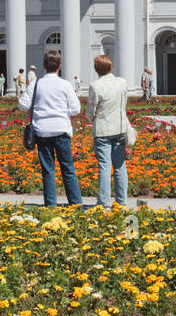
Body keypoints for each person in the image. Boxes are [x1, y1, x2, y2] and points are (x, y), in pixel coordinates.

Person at [19, 50, 83, 207]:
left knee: (48, 169)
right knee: (67, 168)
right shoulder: (65, 84)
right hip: (61, 129)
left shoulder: (36, 84)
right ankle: (75, 204)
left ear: (44, 66)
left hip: (42, 131)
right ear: (60, 66)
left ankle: (51, 205)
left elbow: (23, 105)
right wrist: (61, 112)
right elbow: (76, 108)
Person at [87, 54, 130, 208]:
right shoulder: (122, 83)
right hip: (119, 127)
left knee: (104, 166)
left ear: (96, 69)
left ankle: (104, 202)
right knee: (120, 165)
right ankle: (121, 201)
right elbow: (124, 103)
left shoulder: (95, 86)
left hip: (102, 130)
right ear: (111, 67)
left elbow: (90, 110)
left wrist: (92, 118)